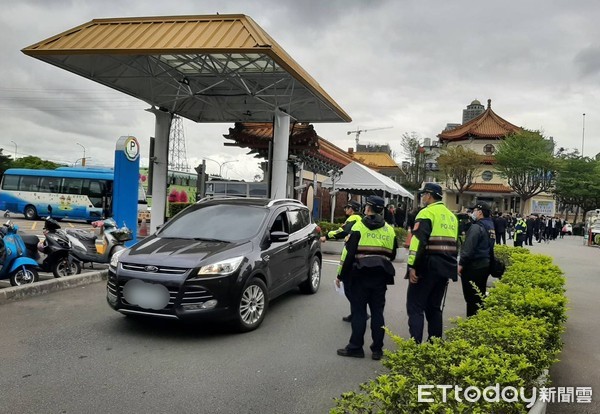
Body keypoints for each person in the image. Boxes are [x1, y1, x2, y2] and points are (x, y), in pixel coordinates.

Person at [336, 196, 398, 360]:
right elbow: (392, 254)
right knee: (378, 312)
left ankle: (356, 347)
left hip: (360, 275)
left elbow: (349, 255)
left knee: (359, 312)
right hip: (380, 276)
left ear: (368, 208)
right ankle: (377, 350)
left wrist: (341, 276)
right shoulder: (389, 230)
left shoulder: (358, 227)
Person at [406, 183, 458, 344]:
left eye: (423, 195)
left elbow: (418, 242)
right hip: (445, 267)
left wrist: (412, 266)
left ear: (429, 195)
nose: (422, 198)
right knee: (434, 307)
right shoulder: (451, 216)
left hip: (427, 266)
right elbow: (456, 244)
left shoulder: (426, 213)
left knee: (415, 307)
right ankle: (435, 344)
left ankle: (415, 345)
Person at [321, 200, 362, 322]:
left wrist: (326, 236)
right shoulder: (360, 219)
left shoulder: (353, 219)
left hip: (351, 255)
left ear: (352, 209)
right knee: (353, 288)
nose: (345, 210)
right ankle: (356, 312)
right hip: (360, 256)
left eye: (347, 208)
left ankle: (359, 313)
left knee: (349, 288)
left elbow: (342, 231)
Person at [458, 202, 496, 317]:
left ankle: (472, 322)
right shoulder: (490, 226)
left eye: (474, 210)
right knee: (479, 296)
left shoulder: (476, 227)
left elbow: (468, 248)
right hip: (485, 265)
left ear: (479, 212)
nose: (472, 213)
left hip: (473, 267)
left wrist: (461, 264)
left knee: (471, 298)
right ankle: (479, 320)